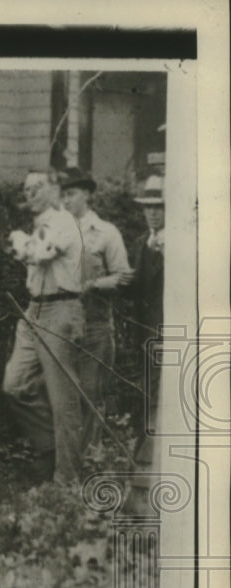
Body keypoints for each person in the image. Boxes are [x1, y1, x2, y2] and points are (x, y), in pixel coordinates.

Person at [1, 168, 87, 485]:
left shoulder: (65, 223)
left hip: (61, 308)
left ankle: (67, 479)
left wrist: (19, 242)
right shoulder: (38, 226)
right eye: (26, 190)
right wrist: (22, 242)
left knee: (62, 397)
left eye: (37, 187)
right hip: (33, 310)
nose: (30, 194)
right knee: (14, 385)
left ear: (54, 189)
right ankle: (49, 450)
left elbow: (37, 255)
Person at [59, 167, 134, 458]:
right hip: (63, 324)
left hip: (95, 324)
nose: (67, 201)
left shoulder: (106, 233)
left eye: (73, 194)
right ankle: (66, 459)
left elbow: (124, 277)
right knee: (63, 394)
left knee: (90, 393)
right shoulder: (57, 232)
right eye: (63, 195)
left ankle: (89, 458)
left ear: (88, 195)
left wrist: (94, 284)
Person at [124, 174, 165, 513]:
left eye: (159, 208)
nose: (153, 215)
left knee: (160, 399)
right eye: (148, 209)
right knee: (145, 394)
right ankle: (141, 468)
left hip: (168, 334)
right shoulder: (139, 245)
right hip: (143, 335)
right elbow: (134, 290)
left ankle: (152, 469)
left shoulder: (181, 243)